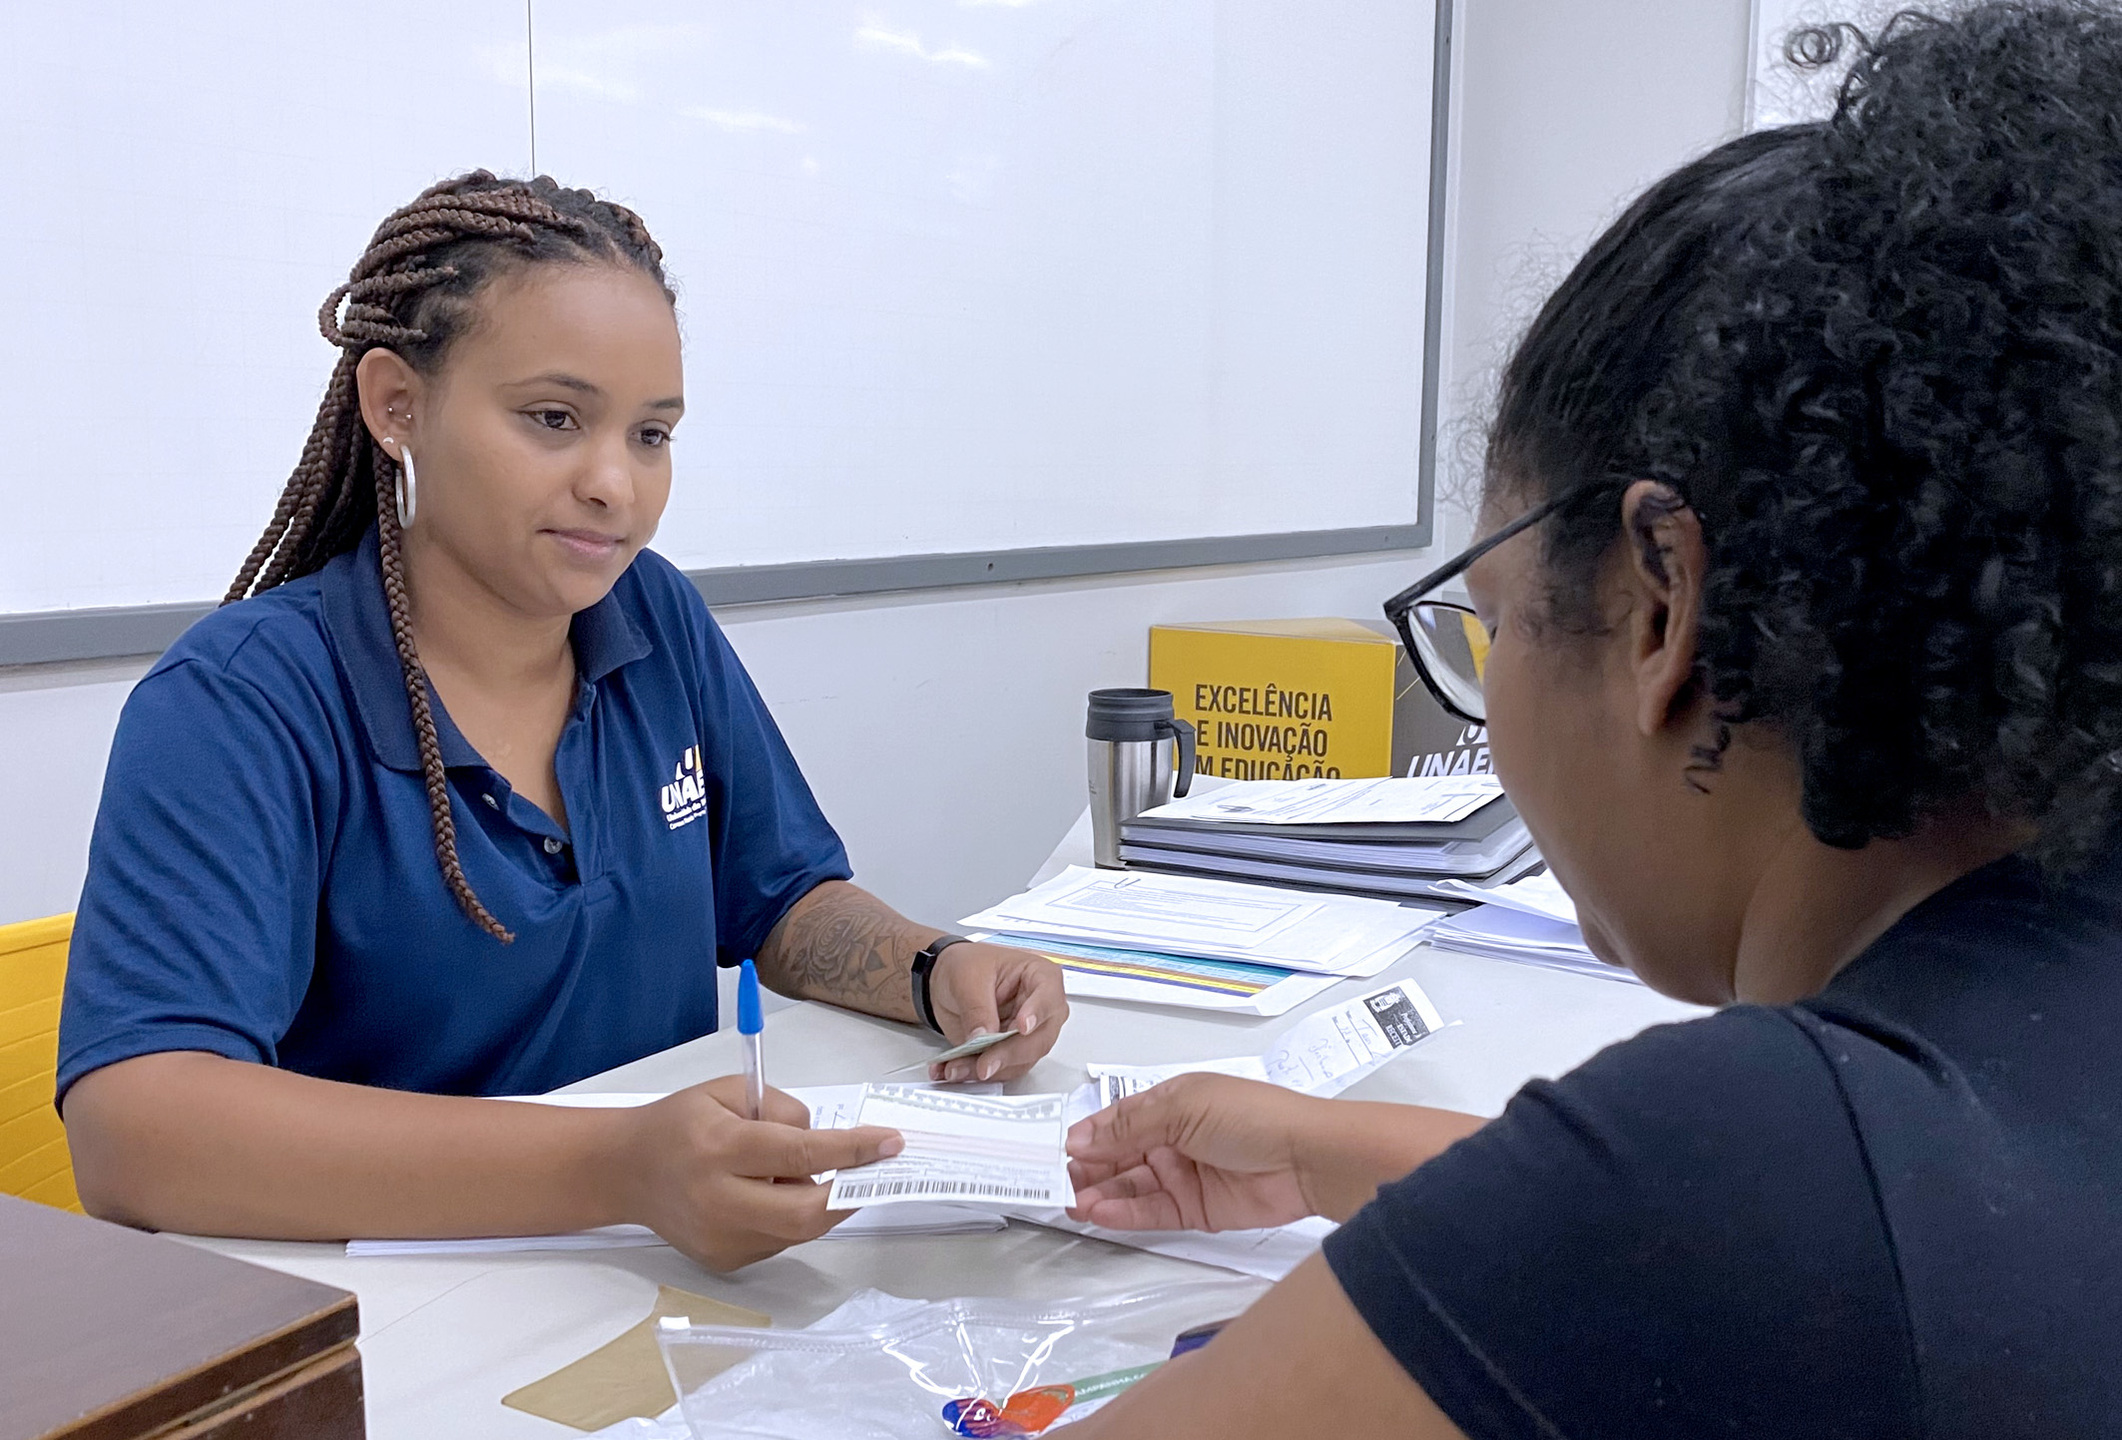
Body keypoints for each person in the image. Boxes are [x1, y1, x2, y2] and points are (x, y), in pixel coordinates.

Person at [1058, 5, 2122, 1434]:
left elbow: (1704, 1221)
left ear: (1657, 606)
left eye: (1486, 618)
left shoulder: (1727, 1170)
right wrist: (1331, 1150)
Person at [56, 172, 1067, 1273]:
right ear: (398, 405)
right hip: (398, 1302)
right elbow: (134, 1130)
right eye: (553, 419)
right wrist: (611, 1169)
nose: (612, 485)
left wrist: (933, 969)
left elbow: (778, 896)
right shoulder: (243, 701)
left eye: (651, 435)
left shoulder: (652, 616)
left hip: (654, 1267)